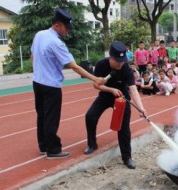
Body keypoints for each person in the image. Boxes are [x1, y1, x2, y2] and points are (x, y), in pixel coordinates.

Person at [31, 9, 105, 159]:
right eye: (66, 28)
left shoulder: (39, 35)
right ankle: (53, 150)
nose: (68, 31)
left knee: (42, 115)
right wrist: (95, 79)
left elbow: (32, 55)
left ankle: (43, 146)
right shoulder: (56, 43)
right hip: (51, 86)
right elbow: (75, 67)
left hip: (37, 82)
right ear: (57, 25)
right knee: (51, 117)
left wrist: (38, 71)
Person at [84, 41, 147, 169]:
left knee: (123, 127)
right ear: (110, 57)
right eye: (118, 61)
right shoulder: (101, 64)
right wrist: (110, 90)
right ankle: (92, 144)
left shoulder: (126, 68)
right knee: (90, 116)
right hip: (105, 95)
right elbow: (96, 85)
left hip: (122, 98)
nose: (120, 63)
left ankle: (127, 157)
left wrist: (141, 108)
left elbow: (133, 89)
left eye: (122, 60)